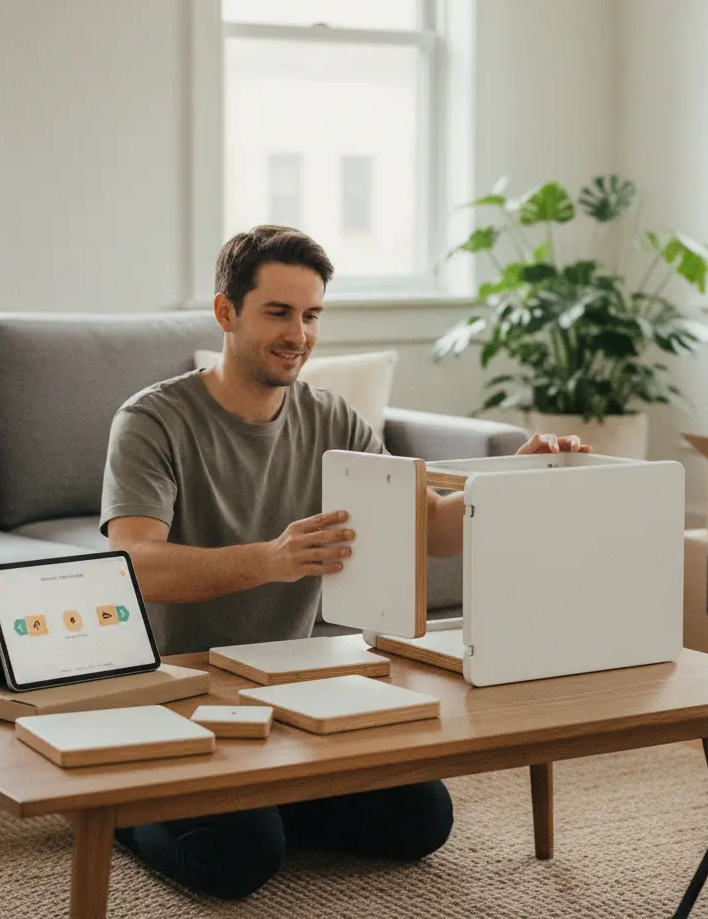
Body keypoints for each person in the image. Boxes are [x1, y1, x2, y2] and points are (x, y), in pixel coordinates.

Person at [101, 225, 589, 899]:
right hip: (184, 693)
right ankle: (118, 812)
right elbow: (135, 563)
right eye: (277, 312)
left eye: (311, 315)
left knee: (422, 821)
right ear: (226, 313)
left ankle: (268, 794)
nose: (297, 333)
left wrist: (511, 481)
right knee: (239, 860)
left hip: (292, 689)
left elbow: (433, 529)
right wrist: (271, 560)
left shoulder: (335, 419)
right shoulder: (153, 419)